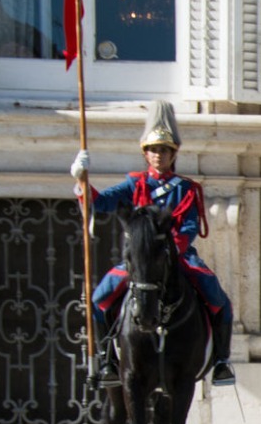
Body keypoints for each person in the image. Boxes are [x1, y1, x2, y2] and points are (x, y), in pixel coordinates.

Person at [72, 100, 236, 386]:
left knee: (218, 298)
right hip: (139, 260)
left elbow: (188, 226)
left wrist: (170, 250)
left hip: (178, 256)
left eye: (164, 150)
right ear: (145, 154)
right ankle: (107, 357)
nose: (158, 155)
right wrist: (81, 181)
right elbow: (100, 204)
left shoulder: (185, 188)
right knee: (100, 299)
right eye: (153, 150)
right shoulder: (133, 185)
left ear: (173, 154)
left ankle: (221, 361)